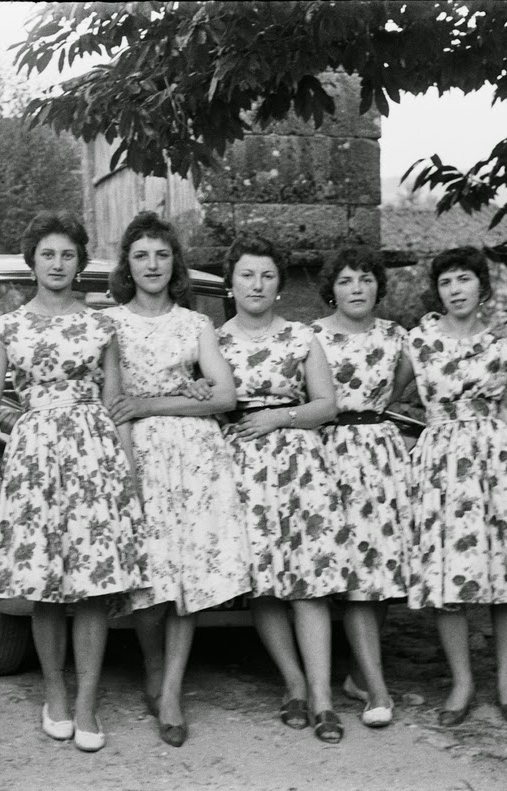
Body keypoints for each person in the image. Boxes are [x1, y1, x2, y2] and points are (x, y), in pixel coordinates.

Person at [0, 211, 147, 754]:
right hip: (33, 461)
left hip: (94, 458)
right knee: (45, 586)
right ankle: (55, 695)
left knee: (93, 586)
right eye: (47, 254)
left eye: (67, 255)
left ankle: (87, 702)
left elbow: (116, 405)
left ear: (80, 263)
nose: (57, 264)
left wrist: (128, 474)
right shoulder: (9, 327)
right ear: (32, 261)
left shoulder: (101, 326)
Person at [404, 246, 507, 727]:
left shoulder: (501, 347)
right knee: (447, 574)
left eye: (464, 279)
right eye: (446, 283)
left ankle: (506, 681)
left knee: (506, 570)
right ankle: (461, 683)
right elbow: (385, 394)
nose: (455, 290)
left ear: (482, 287)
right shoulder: (419, 342)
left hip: (496, 464)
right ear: (437, 292)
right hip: (441, 466)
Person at [102, 212, 251, 748]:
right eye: (141, 255)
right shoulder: (108, 324)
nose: (152, 265)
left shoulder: (195, 324)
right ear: (128, 265)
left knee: (187, 576)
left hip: (195, 459)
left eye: (162, 255)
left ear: (175, 264)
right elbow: (113, 403)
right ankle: (152, 664)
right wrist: (127, 461)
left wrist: (153, 403)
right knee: (150, 577)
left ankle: (171, 691)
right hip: (138, 455)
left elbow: (225, 396)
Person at [216, 233, 348, 744]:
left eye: (267, 275)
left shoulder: (301, 336)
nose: (257, 284)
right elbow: (208, 402)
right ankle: (293, 683)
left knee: (308, 581)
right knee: (265, 583)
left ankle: (322, 696)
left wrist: (279, 417)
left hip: (298, 466)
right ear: (231, 283)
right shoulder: (213, 340)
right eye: (247, 274)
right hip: (241, 468)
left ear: (279, 286)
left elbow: (327, 405)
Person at [310, 248, 413, 730]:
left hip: (383, 456)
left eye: (366, 279)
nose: (357, 288)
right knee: (355, 576)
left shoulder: (396, 336)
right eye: (346, 280)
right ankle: (378, 688)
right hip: (331, 454)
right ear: (331, 289)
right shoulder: (311, 335)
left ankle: (356, 674)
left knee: (384, 571)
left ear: (378, 286)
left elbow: (398, 390)